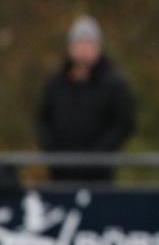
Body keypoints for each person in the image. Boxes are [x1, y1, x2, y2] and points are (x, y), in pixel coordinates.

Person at [36, 15, 135, 182]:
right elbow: (42, 119)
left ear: (99, 48)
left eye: (88, 43)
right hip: (60, 174)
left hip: (99, 175)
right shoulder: (55, 83)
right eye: (78, 43)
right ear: (69, 47)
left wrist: (98, 155)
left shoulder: (113, 83)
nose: (83, 48)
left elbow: (123, 123)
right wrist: (54, 154)